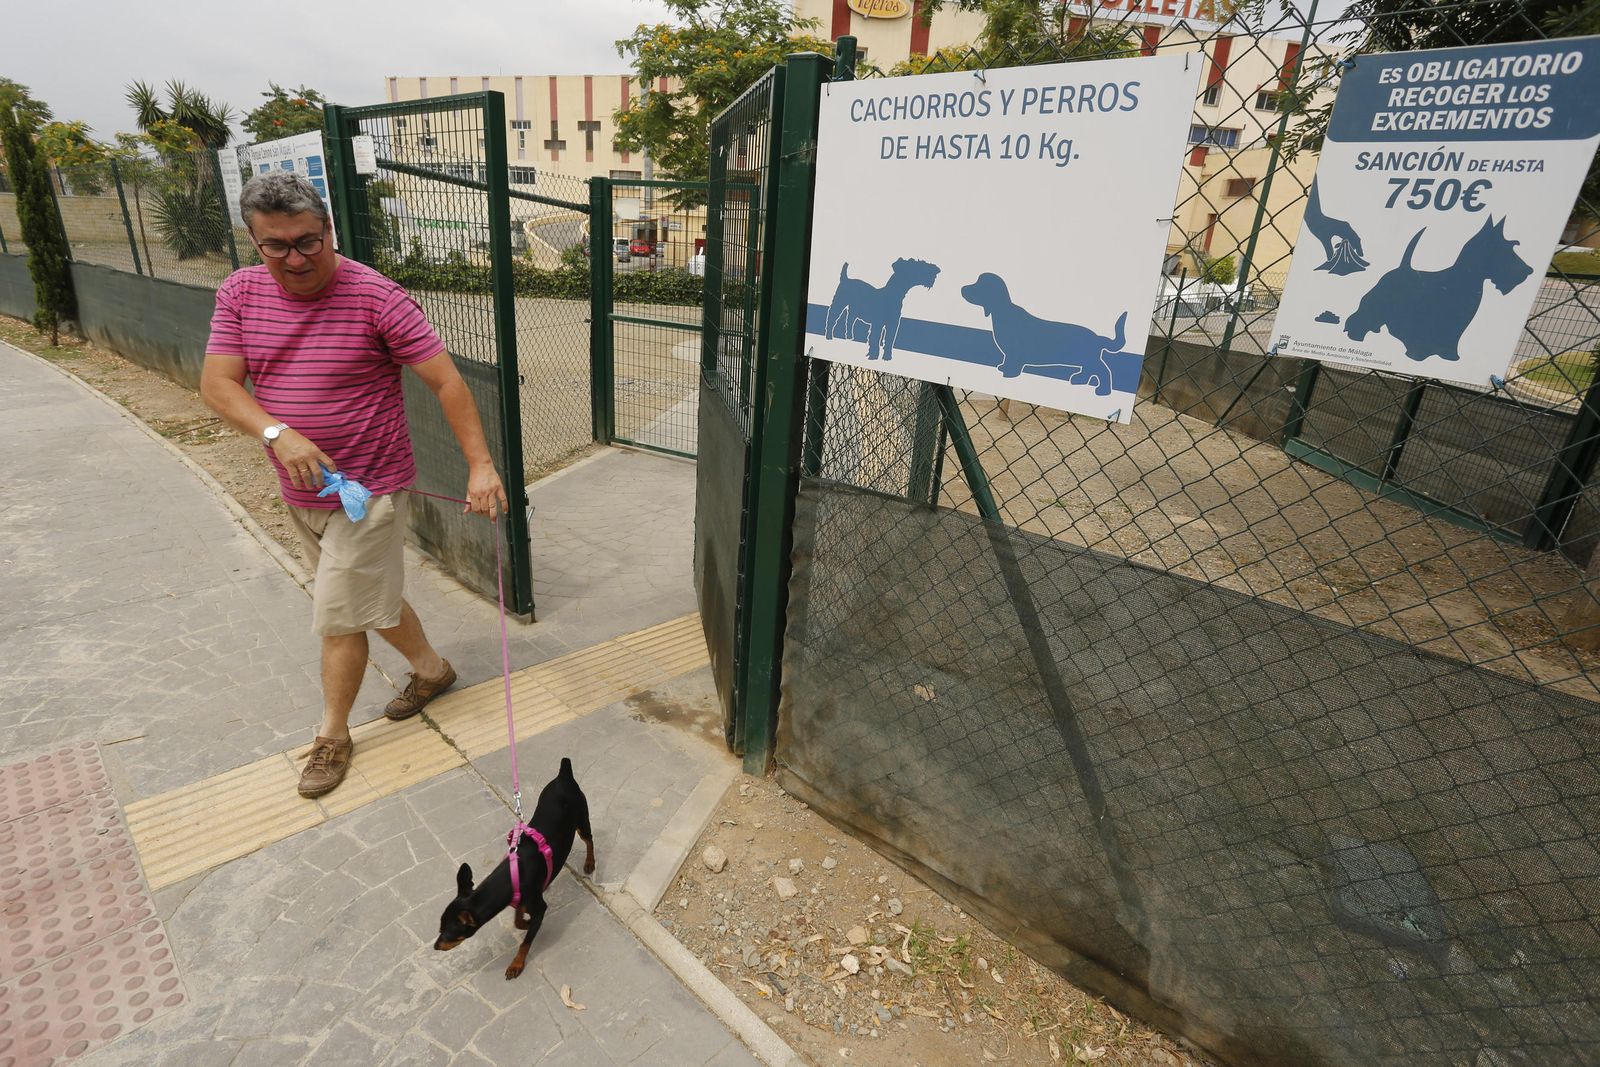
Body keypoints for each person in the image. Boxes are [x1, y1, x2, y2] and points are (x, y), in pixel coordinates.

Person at [201, 172, 508, 800]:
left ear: (329, 230)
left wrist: (481, 465)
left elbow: (447, 383)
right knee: (370, 599)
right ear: (253, 240)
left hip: (370, 492)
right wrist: (275, 433)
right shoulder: (239, 292)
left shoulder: (377, 296)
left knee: (339, 618)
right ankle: (432, 670)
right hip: (301, 491)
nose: (296, 258)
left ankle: (333, 734)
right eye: (276, 246)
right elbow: (218, 386)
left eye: (308, 241)